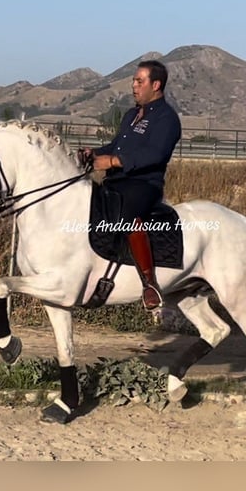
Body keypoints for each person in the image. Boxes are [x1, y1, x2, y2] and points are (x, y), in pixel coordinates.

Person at [78, 60, 181, 310]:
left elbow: (154, 155)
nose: (134, 86)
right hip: (117, 181)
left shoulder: (167, 119)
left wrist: (113, 161)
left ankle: (149, 284)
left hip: (143, 185)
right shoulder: (132, 115)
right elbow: (115, 147)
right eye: (134, 81)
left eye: (139, 81)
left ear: (156, 85)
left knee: (126, 216)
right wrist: (94, 153)